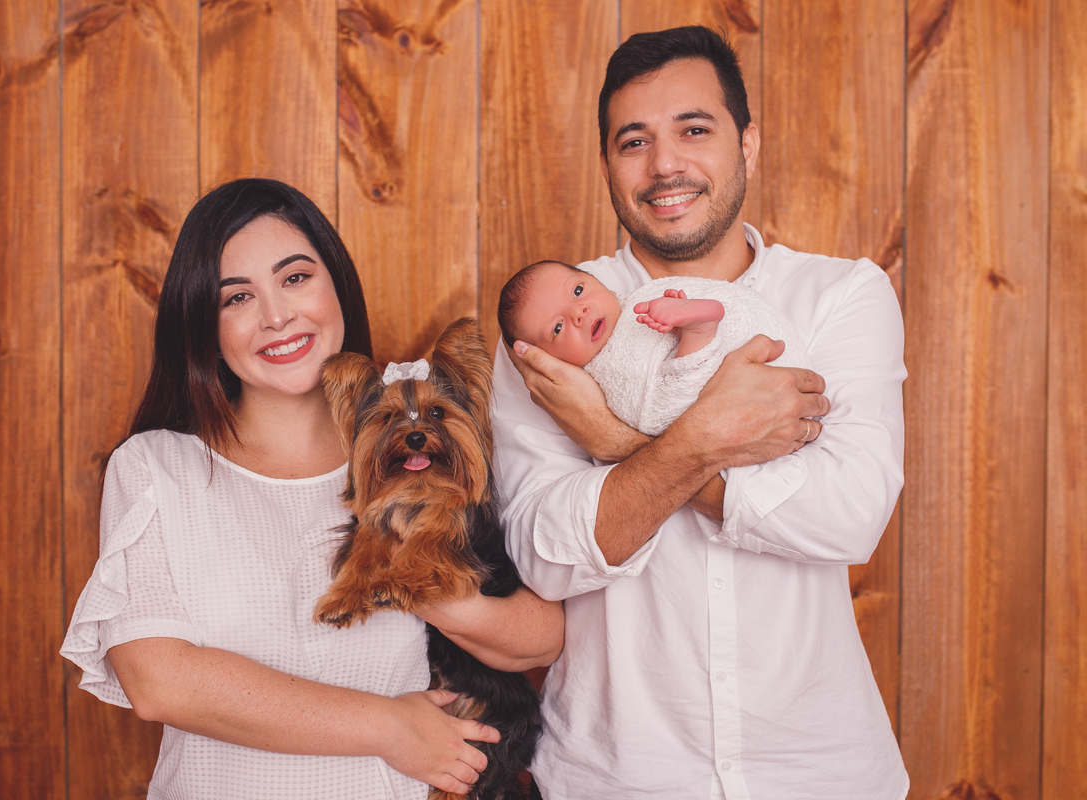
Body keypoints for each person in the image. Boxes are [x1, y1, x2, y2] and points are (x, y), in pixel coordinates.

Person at [491, 26, 908, 800]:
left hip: (819, 772)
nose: (665, 166)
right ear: (608, 164)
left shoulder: (840, 297)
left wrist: (615, 442)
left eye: (694, 130)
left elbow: (850, 514)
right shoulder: (550, 323)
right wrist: (710, 440)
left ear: (746, 143)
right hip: (614, 776)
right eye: (633, 142)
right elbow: (544, 557)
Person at [60, 178, 564, 800]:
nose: (277, 316)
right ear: (203, 325)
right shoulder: (155, 467)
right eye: (237, 297)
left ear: (337, 285)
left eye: (295, 278)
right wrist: (388, 726)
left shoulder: (434, 455)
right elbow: (160, 681)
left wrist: (411, 581)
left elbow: (543, 636)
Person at [496, 259, 809, 435]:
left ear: (599, 281)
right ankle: (697, 330)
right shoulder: (590, 380)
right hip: (748, 393)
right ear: (545, 359)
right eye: (558, 328)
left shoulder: (639, 302)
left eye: (578, 290)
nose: (579, 313)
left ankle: (699, 330)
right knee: (664, 396)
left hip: (760, 351)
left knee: (671, 392)